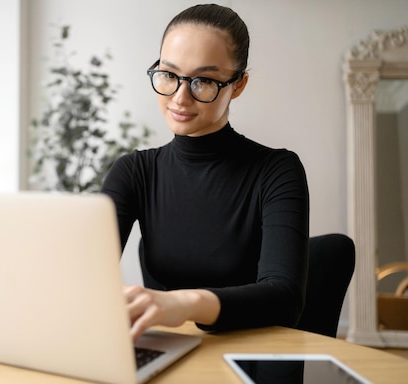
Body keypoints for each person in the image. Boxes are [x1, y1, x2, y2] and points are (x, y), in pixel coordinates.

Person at [101, 4, 309, 341]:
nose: (180, 98)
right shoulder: (134, 171)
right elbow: (82, 278)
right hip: (166, 352)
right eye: (169, 74)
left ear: (238, 85)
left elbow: (285, 298)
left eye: (204, 80)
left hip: (247, 358)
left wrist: (187, 302)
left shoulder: (277, 171)